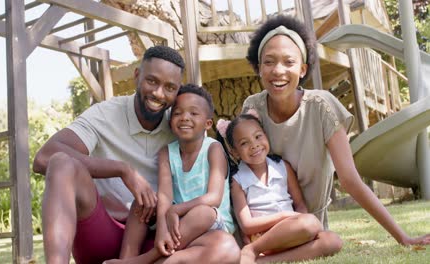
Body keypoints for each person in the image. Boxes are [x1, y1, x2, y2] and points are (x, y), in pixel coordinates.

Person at [32, 46, 239, 264]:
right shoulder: (105, 114)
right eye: (152, 81)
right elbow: (44, 158)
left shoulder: (182, 122)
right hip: (101, 231)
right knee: (62, 163)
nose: (159, 93)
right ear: (137, 76)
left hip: (156, 238)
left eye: (169, 87)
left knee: (225, 248)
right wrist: (122, 170)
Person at [241, 14, 430, 249]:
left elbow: (350, 180)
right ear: (258, 68)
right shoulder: (252, 106)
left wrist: (402, 236)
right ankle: (252, 249)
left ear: (302, 69)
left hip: (305, 228)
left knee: (332, 243)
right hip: (262, 223)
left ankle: (254, 257)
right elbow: (241, 174)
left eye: (288, 62)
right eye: (269, 62)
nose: (278, 70)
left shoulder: (322, 107)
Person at [106, 84, 235, 264]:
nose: (185, 118)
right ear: (170, 121)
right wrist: (161, 229)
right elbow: (165, 195)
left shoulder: (213, 148)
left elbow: (214, 197)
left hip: (211, 225)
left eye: (193, 113)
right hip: (178, 224)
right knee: (142, 202)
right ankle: (126, 257)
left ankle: (142, 260)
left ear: (207, 123)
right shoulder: (166, 152)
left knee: (203, 213)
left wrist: (176, 210)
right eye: (177, 113)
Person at [217, 114, 341, 263]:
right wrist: (284, 216)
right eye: (244, 143)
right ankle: (252, 249)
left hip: (292, 233)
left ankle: (264, 261)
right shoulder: (238, 180)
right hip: (263, 238)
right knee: (311, 223)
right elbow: (247, 225)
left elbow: (300, 204)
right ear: (234, 152)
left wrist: (299, 223)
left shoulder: (283, 167)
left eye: (258, 137)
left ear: (266, 136)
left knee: (333, 241)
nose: (254, 145)